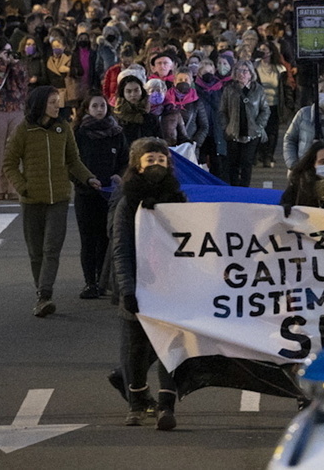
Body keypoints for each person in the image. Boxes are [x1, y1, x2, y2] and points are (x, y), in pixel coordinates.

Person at [3, 86, 101, 317]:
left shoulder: (63, 128)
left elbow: (73, 160)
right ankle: (41, 294)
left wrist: (88, 178)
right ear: (39, 104)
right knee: (36, 252)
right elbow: (9, 163)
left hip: (59, 198)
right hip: (31, 200)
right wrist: (23, 186)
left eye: (58, 101)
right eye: (53, 102)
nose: (58, 106)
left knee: (51, 248)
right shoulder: (24, 130)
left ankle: (44, 295)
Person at [113, 137, 186, 430]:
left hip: (170, 286)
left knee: (170, 345)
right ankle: (136, 401)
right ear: (137, 165)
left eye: (160, 160)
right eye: (150, 160)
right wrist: (128, 289)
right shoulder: (127, 202)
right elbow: (121, 249)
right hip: (138, 283)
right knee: (136, 347)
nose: (156, 165)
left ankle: (166, 406)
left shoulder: (179, 200)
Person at [73, 94, 127, 299]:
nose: (99, 109)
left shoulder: (116, 132)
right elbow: (71, 162)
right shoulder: (79, 133)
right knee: (88, 240)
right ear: (86, 109)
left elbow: (125, 160)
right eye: (94, 106)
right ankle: (90, 283)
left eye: (102, 105)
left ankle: (103, 281)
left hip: (111, 196)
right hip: (86, 193)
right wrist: (85, 180)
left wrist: (120, 176)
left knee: (107, 238)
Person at [0, 39, 28, 200]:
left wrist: (15, 64)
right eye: (5, 52)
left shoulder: (18, 66)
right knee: (0, 151)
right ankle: (0, 188)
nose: (9, 55)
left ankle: (13, 187)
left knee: (14, 150)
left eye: (10, 51)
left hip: (16, 110)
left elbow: (23, 84)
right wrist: (2, 63)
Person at [220, 60, 269, 186]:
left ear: (251, 73)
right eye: (238, 70)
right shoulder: (229, 90)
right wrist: (226, 127)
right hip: (233, 132)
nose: (241, 74)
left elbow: (265, 110)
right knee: (233, 164)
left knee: (246, 163)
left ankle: (245, 188)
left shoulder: (258, 90)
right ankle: (235, 189)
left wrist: (258, 126)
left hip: (252, 133)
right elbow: (222, 111)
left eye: (244, 71)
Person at [115, 73, 161, 143]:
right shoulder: (117, 119)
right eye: (128, 91)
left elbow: (159, 141)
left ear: (141, 91)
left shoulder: (151, 118)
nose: (133, 95)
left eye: (136, 90)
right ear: (123, 93)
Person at [171, 67, 209, 148]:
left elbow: (204, 126)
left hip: (189, 148)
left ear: (191, 81)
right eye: (180, 80)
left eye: (186, 80)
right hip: (170, 147)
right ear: (174, 82)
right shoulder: (167, 100)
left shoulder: (196, 102)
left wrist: (194, 143)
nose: (183, 82)